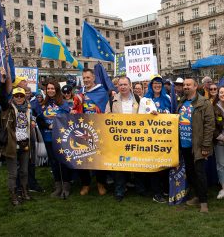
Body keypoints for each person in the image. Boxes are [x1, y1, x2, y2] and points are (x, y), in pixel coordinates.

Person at [178, 77, 214, 212]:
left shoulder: (204, 103)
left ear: (195, 86)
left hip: (198, 146)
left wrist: (205, 146)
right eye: (184, 85)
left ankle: (204, 202)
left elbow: (210, 126)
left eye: (188, 84)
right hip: (184, 144)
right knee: (191, 172)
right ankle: (197, 196)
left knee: (200, 173)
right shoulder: (181, 102)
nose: (186, 87)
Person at [105, 76, 143, 202]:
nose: (122, 87)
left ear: (130, 85)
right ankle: (119, 190)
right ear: (118, 86)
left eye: (125, 84)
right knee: (119, 165)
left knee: (136, 163)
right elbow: (106, 118)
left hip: (135, 138)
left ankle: (140, 188)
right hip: (118, 140)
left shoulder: (139, 99)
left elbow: (146, 116)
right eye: (120, 85)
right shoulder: (112, 101)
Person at [72, 68, 109, 196]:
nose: (86, 80)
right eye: (84, 78)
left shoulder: (102, 92)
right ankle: (85, 184)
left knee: (98, 157)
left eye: (88, 77)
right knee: (83, 157)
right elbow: (75, 109)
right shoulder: (79, 93)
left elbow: (105, 109)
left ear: (93, 78)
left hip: (98, 129)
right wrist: (74, 111)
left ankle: (100, 183)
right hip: (82, 129)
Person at [0, 72, 33, 206]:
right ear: (13, 97)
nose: (19, 98)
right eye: (16, 95)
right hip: (12, 144)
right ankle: (13, 195)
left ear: (25, 97)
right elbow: (1, 97)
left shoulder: (28, 109)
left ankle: (24, 192)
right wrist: (3, 83)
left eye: (21, 95)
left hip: (25, 143)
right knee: (13, 173)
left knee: (24, 171)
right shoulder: (8, 108)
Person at [33, 80, 71, 198]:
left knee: (62, 162)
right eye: (48, 88)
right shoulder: (42, 104)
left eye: (52, 88)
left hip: (61, 138)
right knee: (53, 162)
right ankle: (57, 186)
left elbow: (68, 119)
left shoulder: (63, 103)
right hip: (48, 137)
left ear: (57, 90)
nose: (50, 90)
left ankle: (66, 187)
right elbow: (39, 120)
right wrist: (48, 126)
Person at [138, 75, 171, 203]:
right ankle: (156, 193)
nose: (157, 85)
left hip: (165, 137)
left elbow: (172, 114)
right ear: (151, 85)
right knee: (155, 166)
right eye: (155, 83)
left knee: (165, 165)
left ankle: (164, 189)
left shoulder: (167, 98)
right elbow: (140, 119)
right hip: (151, 138)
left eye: (159, 83)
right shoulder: (145, 100)